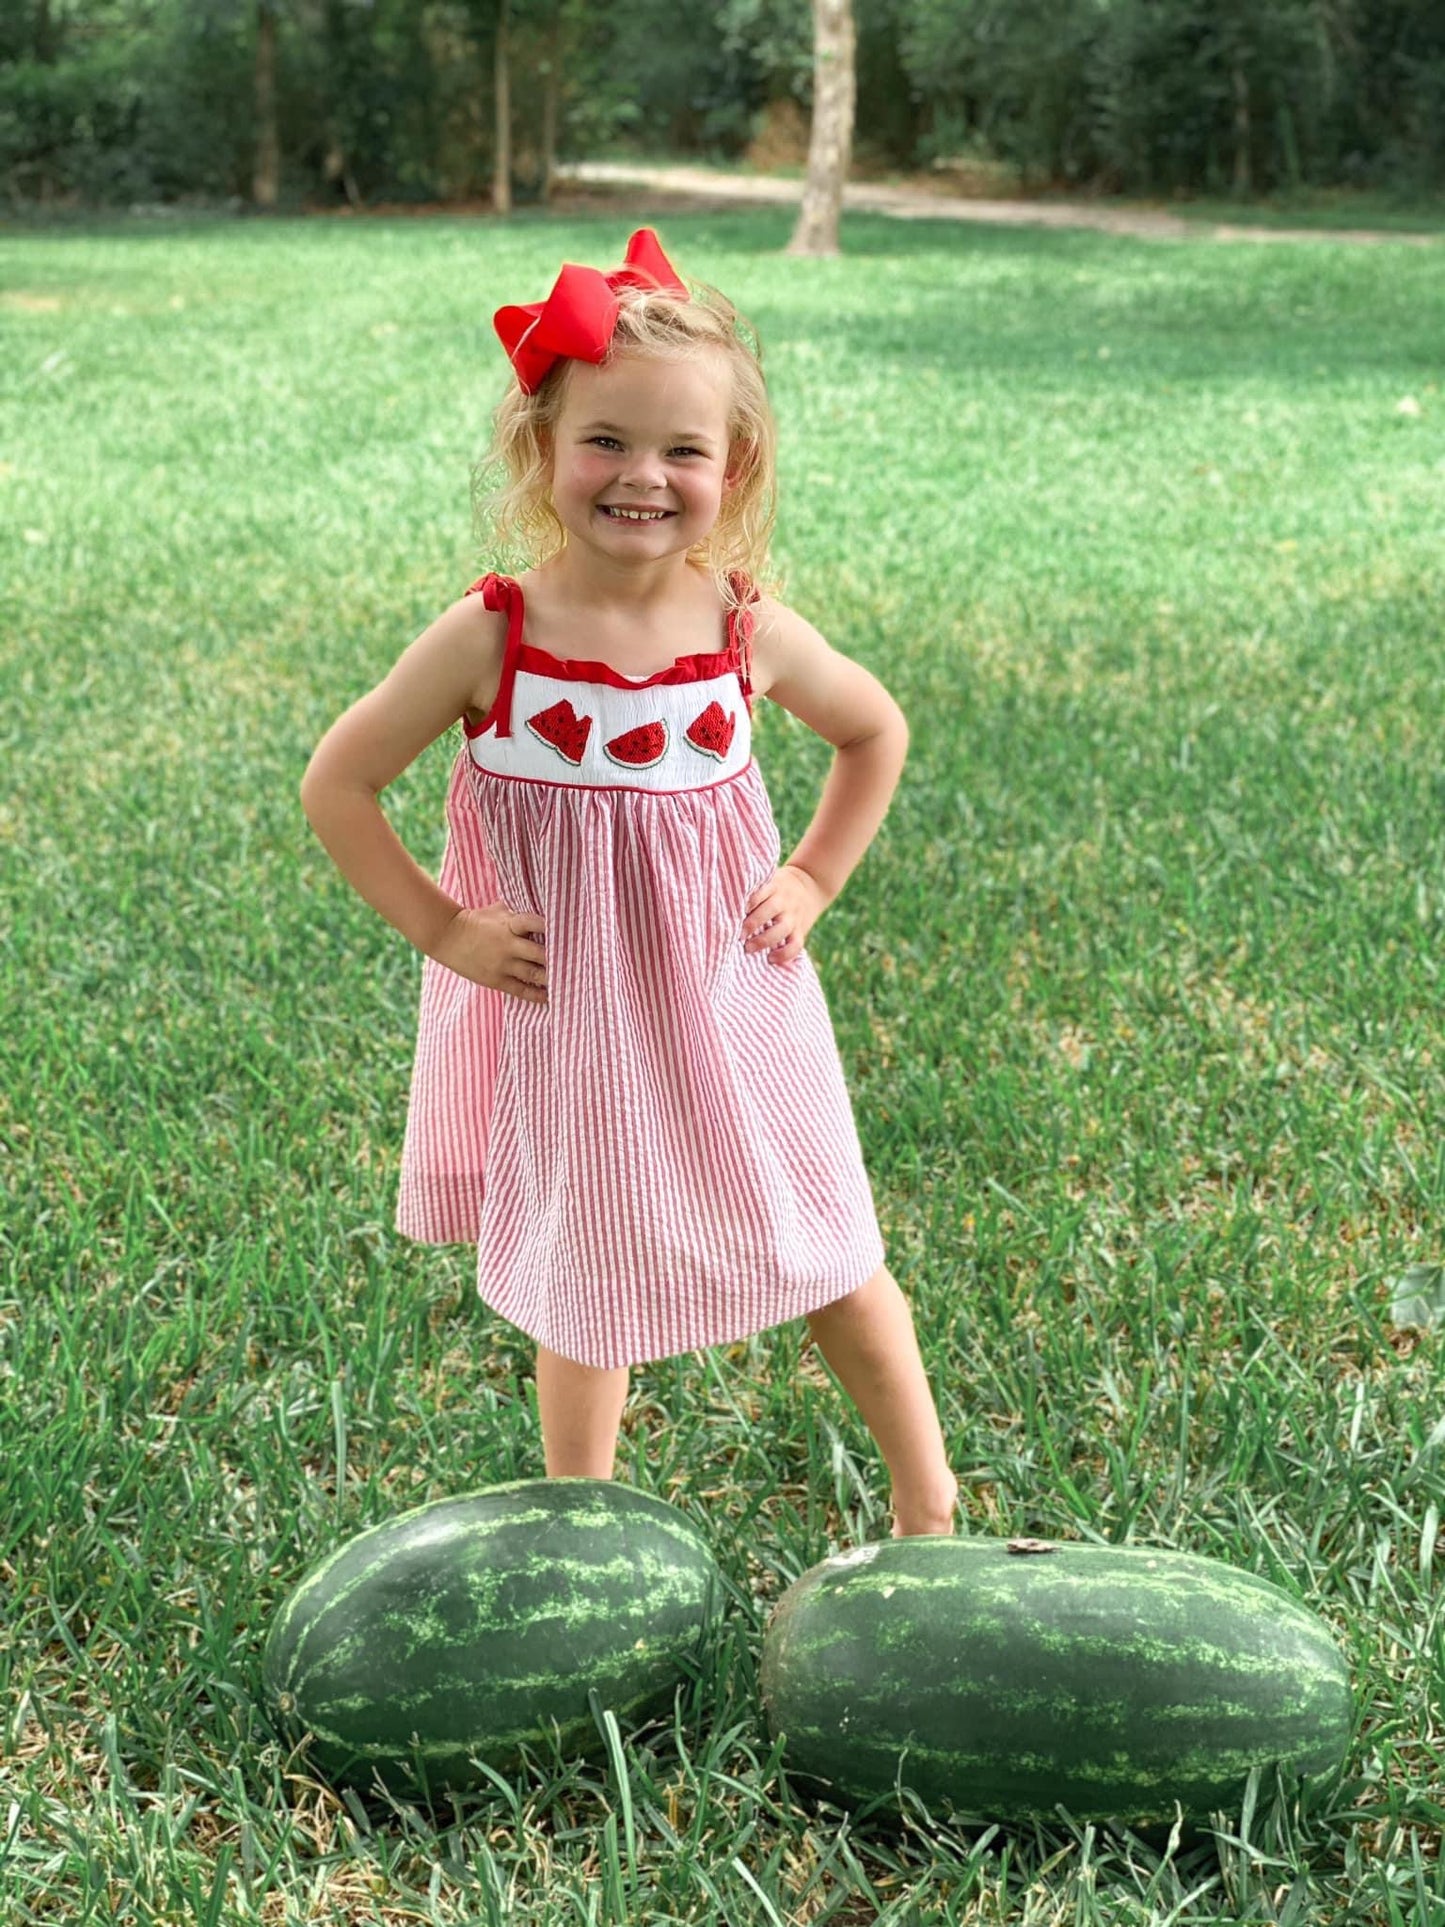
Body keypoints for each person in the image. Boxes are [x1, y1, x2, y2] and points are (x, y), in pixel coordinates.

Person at [300, 227, 958, 1538]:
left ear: (735, 468)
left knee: (823, 1242)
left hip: (736, 1003)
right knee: (588, 1269)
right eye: (604, 440)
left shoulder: (742, 630)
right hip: (577, 1015)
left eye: (682, 450)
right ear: (540, 448)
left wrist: (816, 874)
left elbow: (872, 729)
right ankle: (583, 1528)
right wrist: (442, 927)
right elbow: (337, 783)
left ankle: (926, 1498)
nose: (641, 476)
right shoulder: (492, 633)